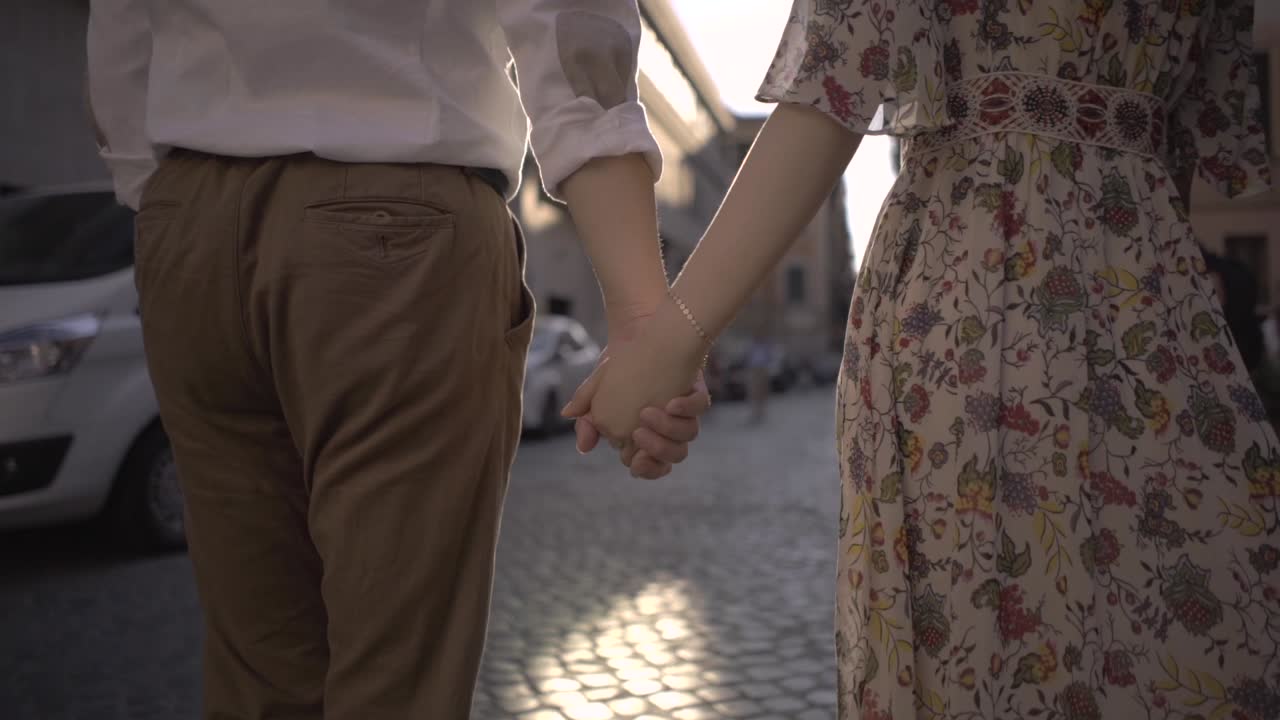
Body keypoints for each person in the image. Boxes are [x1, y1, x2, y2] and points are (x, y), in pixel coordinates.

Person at [566, 0, 1280, 716]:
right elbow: (1184, 147)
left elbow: (830, 99)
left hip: (979, 291)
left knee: (987, 639)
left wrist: (665, 344)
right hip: (1152, 297)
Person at [86, 2, 710, 718]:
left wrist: (162, 201)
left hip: (187, 218)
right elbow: (569, 31)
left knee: (256, 669)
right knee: (397, 676)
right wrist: (639, 316)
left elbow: (121, 33)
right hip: (396, 217)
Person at [746, 331, 773, 423]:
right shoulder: (752, 347)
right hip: (754, 369)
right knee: (754, 391)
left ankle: (761, 411)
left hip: (762, 369)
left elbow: (769, 357)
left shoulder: (766, 347)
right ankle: (755, 411)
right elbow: (748, 358)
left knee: (762, 391)